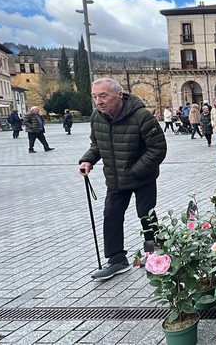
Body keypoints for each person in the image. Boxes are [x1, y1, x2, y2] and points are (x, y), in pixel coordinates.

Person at [78, 78, 167, 281]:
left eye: (103, 96)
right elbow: (97, 144)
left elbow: (158, 149)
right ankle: (116, 259)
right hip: (115, 179)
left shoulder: (141, 116)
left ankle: (152, 252)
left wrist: (135, 171)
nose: (98, 101)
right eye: (95, 97)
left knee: (146, 215)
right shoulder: (97, 117)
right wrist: (88, 160)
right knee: (111, 215)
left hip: (142, 176)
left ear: (119, 95)